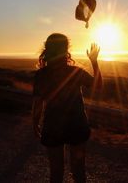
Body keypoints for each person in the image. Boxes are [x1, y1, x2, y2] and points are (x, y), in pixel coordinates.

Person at [32, 33, 102, 183]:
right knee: (78, 171)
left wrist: (35, 123)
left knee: (56, 172)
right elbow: (99, 86)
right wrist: (94, 62)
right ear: (66, 50)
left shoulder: (41, 75)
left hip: (52, 126)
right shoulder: (75, 72)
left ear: (47, 49)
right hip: (77, 124)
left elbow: (38, 103)